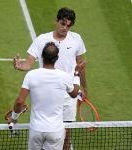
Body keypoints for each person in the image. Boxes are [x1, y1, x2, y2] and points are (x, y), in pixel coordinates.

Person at [14, 7, 88, 149]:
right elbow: (28, 63)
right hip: (47, 95)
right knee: (46, 133)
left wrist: (85, 89)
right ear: (56, 21)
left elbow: (80, 66)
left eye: (68, 25)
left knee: (66, 137)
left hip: (68, 96)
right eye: (62, 23)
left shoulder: (76, 39)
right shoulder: (42, 39)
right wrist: (19, 66)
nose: (65, 28)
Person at [9, 42, 80, 150]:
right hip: (55, 131)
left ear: (42, 56)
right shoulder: (64, 77)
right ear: (57, 58)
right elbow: (74, 93)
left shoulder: (31, 75)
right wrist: (76, 75)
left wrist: (13, 118)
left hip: (36, 130)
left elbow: (19, 102)